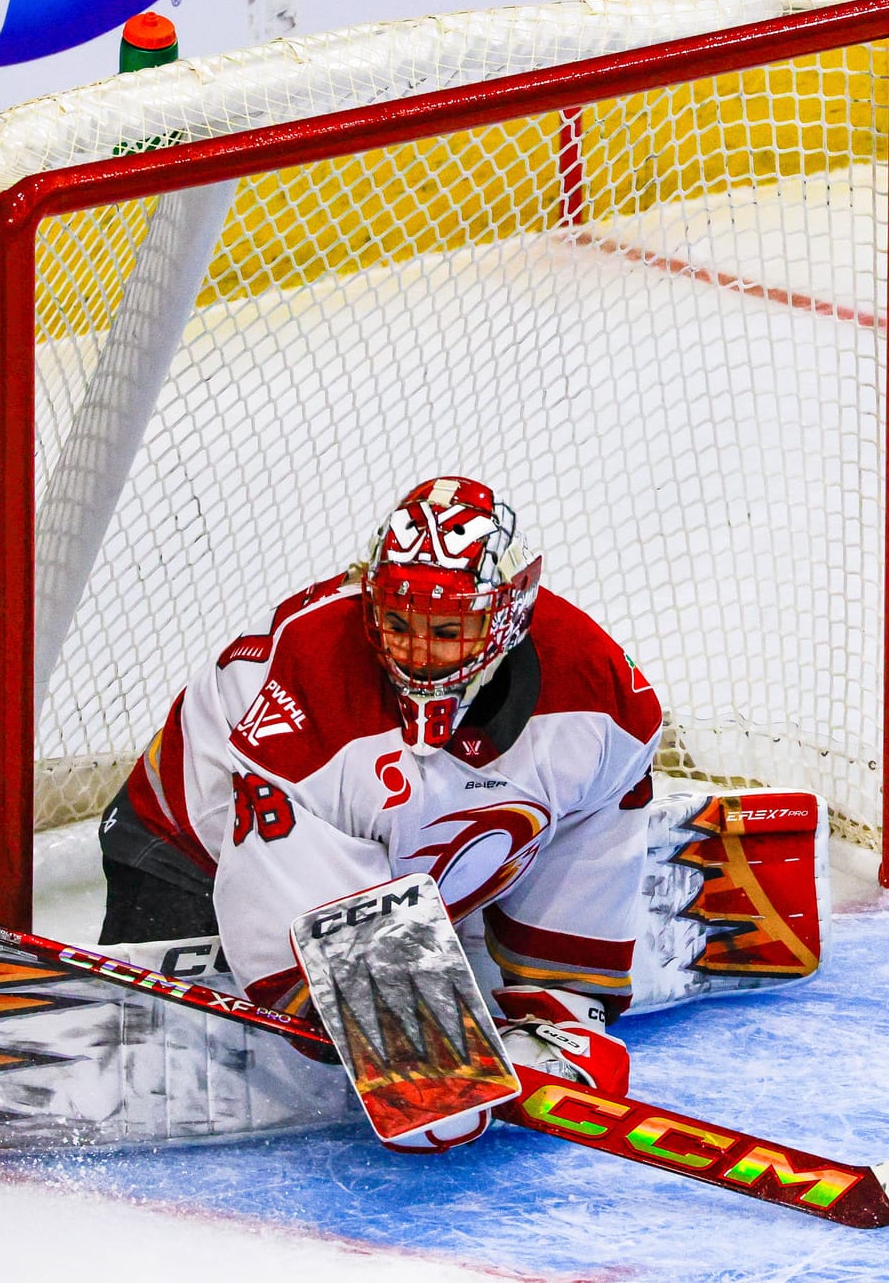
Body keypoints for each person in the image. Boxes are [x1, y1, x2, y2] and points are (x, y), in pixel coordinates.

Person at [95, 476, 659, 1148]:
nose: (416, 654)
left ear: (506, 616)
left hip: (401, 864)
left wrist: (553, 1009)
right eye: (397, 623)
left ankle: (445, 954)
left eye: (446, 630)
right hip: (185, 854)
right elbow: (279, 871)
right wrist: (410, 1043)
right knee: (433, 1103)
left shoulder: (598, 691)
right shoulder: (317, 681)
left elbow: (595, 821)